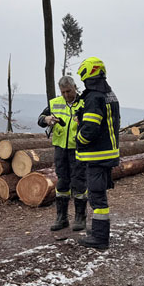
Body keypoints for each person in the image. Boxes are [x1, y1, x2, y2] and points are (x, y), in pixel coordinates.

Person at [75, 57, 120, 250]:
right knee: (98, 194)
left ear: (89, 73)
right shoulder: (108, 93)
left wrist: (79, 139)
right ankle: (99, 231)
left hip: (97, 155)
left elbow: (91, 129)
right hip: (107, 153)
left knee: (96, 197)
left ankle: (100, 238)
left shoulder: (94, 97)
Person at [37, 76, 87, 231]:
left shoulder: (84, 103)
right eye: (63, 92)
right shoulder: (55, 103)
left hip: (78, 149)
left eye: (69, 91)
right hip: (60, 149)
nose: (66, 95)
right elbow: (39, 120)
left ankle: (80, 217)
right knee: (62, 182)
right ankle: (62, 217)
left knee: (79, 182)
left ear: (75, 88)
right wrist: (47, 119)